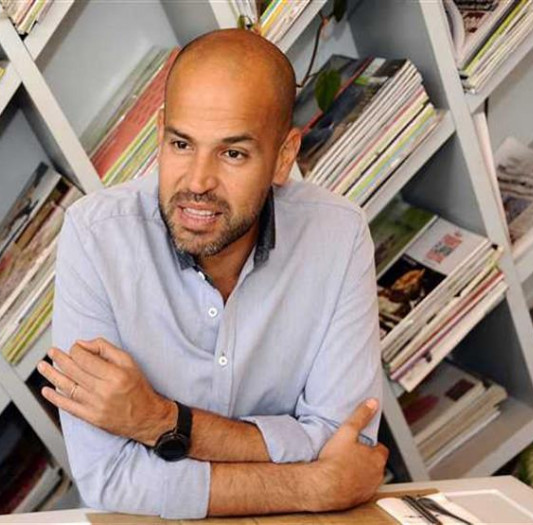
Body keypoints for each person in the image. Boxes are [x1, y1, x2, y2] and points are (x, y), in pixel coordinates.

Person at [37, 28, 388, 519]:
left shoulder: (339, 235)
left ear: (284, 156)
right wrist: (311, 486)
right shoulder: (96, 237)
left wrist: (160, 422)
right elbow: (110, 478)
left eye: (233, 153)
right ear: (160, 133)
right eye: (182, 144)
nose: (198, 181)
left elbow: (345, 441)